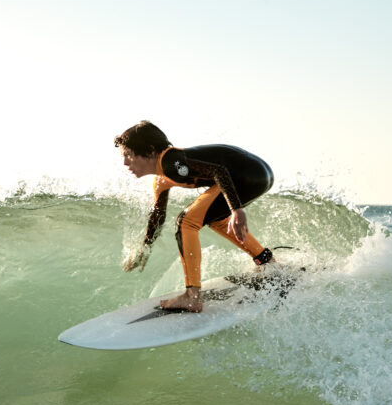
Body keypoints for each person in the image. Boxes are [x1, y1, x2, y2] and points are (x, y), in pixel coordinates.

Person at [115, 120, 275, 312]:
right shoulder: (162, 179)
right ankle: (267, 261)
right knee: (215, 219)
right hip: (259, 174)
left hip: (247, 174)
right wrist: (145, 248)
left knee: (186, 221)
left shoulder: (170, 161)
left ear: (149, 151)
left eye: (129, 155)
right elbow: (158, 216)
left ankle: (192, 295)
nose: (125, 162)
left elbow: (219, 170)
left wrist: (236, 210)